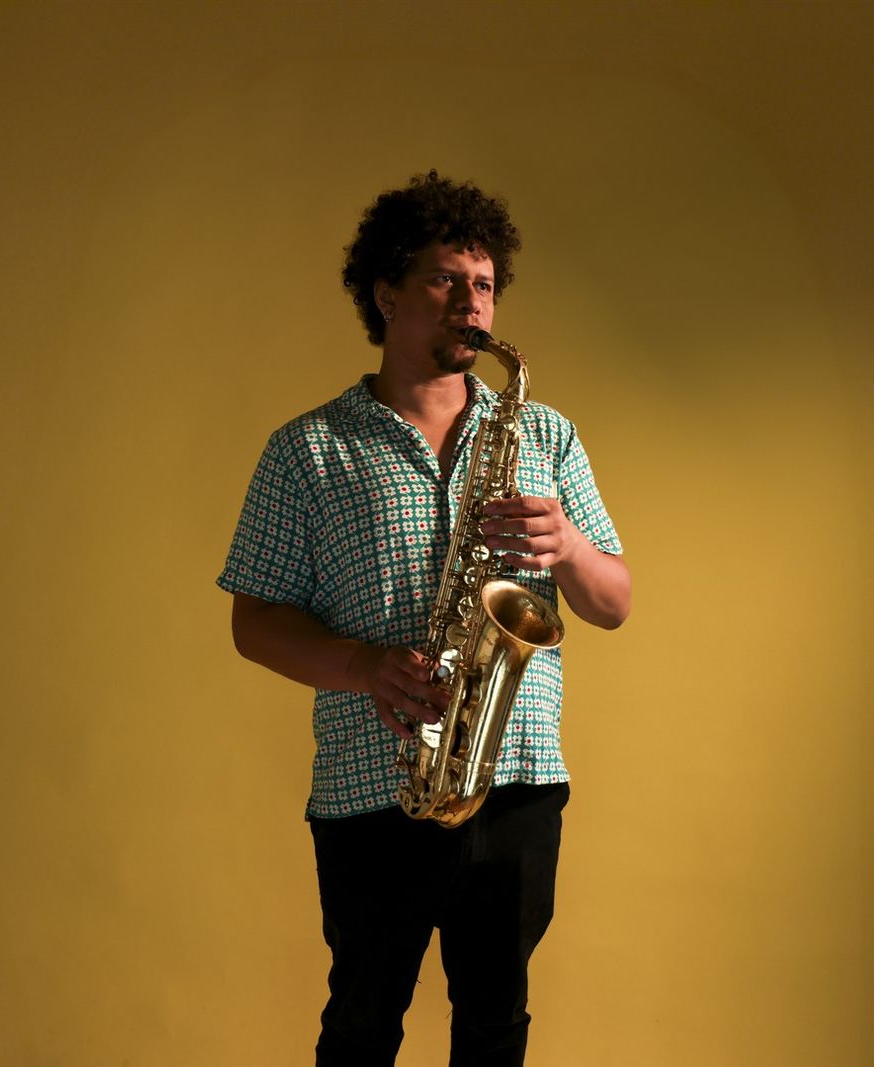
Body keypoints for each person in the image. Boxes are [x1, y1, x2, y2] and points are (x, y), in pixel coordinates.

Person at [217, 170, 631, 1067]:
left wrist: (566, 544)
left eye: (484, 284)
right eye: (446, 279)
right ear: (386, 293)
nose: (472, 304)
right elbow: (253, 622)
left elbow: (614, 601)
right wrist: (363, 666)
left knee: (496, 1026)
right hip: (376, 787)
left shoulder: (545, 435)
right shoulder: (307, 450)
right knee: (361, 1030)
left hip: (516, 779)